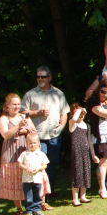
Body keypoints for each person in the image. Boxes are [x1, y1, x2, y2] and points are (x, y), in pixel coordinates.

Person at [20, 66, 69, 207]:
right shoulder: (31, 94)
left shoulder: (58, 94)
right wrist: (38, 113)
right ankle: (38, 198)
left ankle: (48, 192)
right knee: (38, 166)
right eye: (38, 77)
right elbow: (22, 113)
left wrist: (62, 127)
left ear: (50, 78)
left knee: (52, 165)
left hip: (54, 136)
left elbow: (64, 112)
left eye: (43, 76)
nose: (40, 79)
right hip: (37, 137)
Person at [0, 93, 37, 215]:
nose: (17, 107)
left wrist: (26, 130)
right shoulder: (3, 119)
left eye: (18, 104)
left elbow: (34, 132)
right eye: (14, 104)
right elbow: (5, 134)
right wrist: (19, 126)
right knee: (14, 182)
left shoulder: (24, 116)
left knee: (29, 179)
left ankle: (34, 205)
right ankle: (19, 208)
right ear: (7, 105)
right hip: (10, 153)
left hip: (24, 151)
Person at [69, 103, 98, 206]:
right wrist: (79, 110)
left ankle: (83, 196)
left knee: (86, 172)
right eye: (78, 113)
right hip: (76, 152)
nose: (81, 115)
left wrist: (93, 155)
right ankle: (75, 199)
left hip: (85, 152)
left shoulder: (86, 125)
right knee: (77, 174)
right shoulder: (72, 124)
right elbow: (74, 119)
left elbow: (89, 141)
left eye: (82, 113)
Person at [17, 134, 49, 215]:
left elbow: (45, 165)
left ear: (38, 143)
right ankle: (29, 210)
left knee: (37, 194)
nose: (32, 145)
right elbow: (20, 163)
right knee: (28, 196)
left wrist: (38, 169)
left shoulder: (41, 154)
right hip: (27, 179)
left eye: (34, 143)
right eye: (30, 143)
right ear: (27, 143)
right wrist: (26, 168)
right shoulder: (24, 154)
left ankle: (37, 209)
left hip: (38, 178)